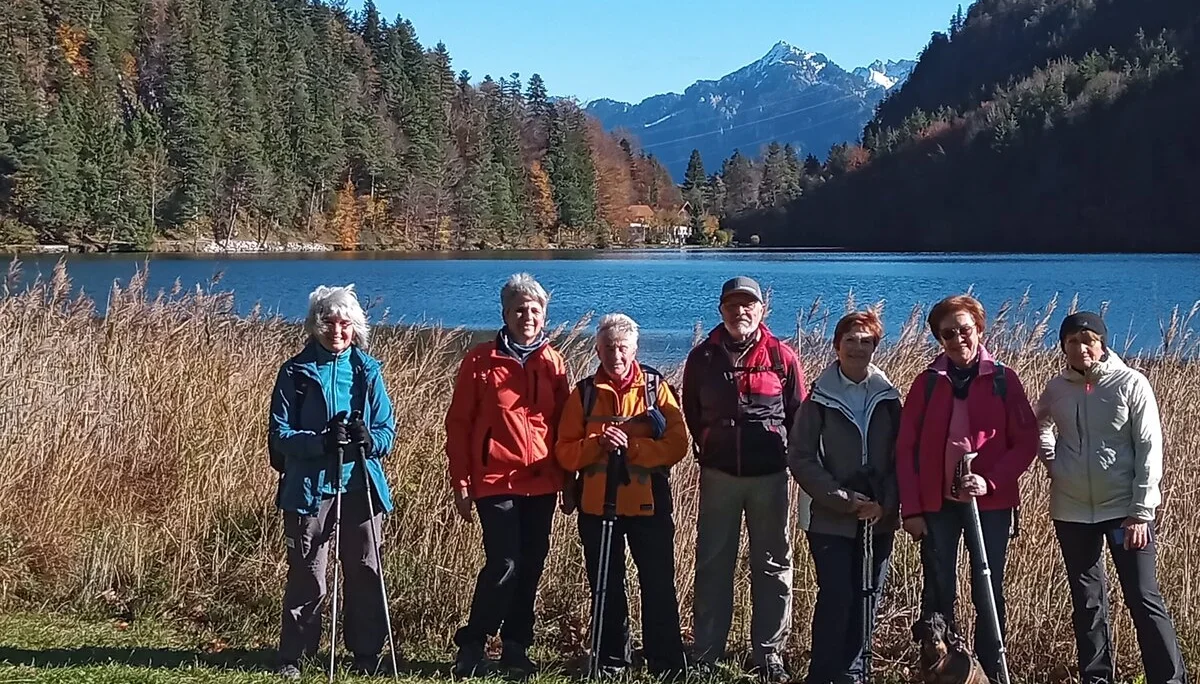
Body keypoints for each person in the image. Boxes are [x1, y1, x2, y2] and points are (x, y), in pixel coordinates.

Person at [1035, 312, 1185, 684]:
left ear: (1102, 344)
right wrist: (1053, 461)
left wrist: (1141, 512)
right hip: (1071, 511)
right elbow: (1039, 423)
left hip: (1124, 511)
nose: (1081, 348)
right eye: (1072, 341)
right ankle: (1097, 678)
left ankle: (1168, 678)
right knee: (1087, 603)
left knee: (1143, 598)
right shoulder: (1057, 388)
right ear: (1063, 347)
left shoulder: (1132, 383)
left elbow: (1150, 449)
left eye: (1088, 340)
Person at [894, 294, 1038, 684]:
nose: (958, 339)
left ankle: (988, 671)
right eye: (948, 333)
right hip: (936, 504)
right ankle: (940, 669)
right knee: (938, 587)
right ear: (938, 338)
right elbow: (906, 449)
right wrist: (912, 509)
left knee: (986, 587)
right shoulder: (926, 383)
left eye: (965, 330)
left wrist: (990, 480)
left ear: (979, 330)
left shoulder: (1004, 380)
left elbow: (1026, 442)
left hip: (989, 506)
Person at [444, 273, 571, 677]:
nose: (527, 317)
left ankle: (516, 645)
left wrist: (567, 480)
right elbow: (459, 424)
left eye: (534, 310)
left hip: (542, 481)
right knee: (504, 562)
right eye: (519, 310)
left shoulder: (553, 361)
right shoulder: (481, 360)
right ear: (505, 314)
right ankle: (474, 642)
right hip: (494, 479)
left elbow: (565, 426)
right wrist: (461, 481)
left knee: (531, 563)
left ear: (544, 315)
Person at [268, 284, 397, 680]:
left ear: (355, 327)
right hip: (310, 490)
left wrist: (367, 438)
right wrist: (321, 440)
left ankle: (365, 653)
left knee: (363, 571)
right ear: (314, 324)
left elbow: (387, 432)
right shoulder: (294, 372)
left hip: (359, 485)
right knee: (309, 575)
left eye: (344, 323)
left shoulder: (368, 370)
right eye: (328, 321)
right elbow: (279, 435)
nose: (336, 330)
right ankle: (296, 653)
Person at [681, 276, 806, 683]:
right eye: (733, 305)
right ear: (721, 311)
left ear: (761, 309)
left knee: (773, 565)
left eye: (748, 305)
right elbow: (690, 410)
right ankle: (706, 651)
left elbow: (798, 415)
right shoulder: (702, 358)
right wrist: (709, 444)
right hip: (718, 475)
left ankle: (768, 652)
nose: (741, 312)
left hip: (769, 477)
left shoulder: (781, 357)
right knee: (713, 563)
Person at [557, 313, 689, 678]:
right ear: (597, 350)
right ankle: (611, 661)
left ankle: (666, 662)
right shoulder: (583, 394)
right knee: (605, 586)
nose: (616, 355)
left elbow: (678, 443)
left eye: (623, 348)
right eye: (609, 348)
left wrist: (633, 448)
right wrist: (598, 444)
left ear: (635, 349)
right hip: (597, 505)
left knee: (658, 583)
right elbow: (564, 452)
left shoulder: (654, 387)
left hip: (649, 502)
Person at [788, 311, 901, 684]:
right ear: (837, 345)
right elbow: (801, 458)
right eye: (849, 340)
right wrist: (843, 498)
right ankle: (822, 675)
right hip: (831, 518)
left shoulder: (888, 398)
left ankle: (854, 674)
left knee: (868, 598)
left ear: (875, 347)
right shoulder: (819, 398)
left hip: (878, 517)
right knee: (837, 597)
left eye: (865, 340)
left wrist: (884, 504)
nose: (857, 347)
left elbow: (902, 457)